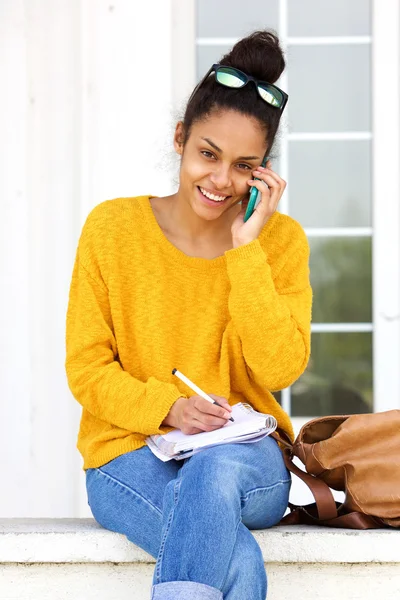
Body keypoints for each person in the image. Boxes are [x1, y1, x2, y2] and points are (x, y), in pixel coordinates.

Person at [65, 29, 312, 600]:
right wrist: (168, 408)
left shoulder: (279, 243)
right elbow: (87, 368)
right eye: (208, 154)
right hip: (126, 457)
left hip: (246, 462)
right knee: (233, 554)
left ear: (264, 172)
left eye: (243, 165)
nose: (221, 180)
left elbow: (278, 370)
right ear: (181, 139)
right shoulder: (112, 230)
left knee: (213, 472)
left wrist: (245, 252)